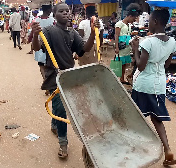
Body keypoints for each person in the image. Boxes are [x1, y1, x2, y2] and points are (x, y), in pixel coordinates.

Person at [32, 2, 99, 158]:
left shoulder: (72, 32)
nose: (65, 13)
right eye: (61, 11)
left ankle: (55, 125)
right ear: (54, 15)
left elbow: (84, 50)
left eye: (67, 11)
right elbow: (36, 48)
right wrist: (35, 35)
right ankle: (63, 143)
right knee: (61, 109)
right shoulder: (48, 31)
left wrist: (95, 31)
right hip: (54, 76)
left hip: (69, 75)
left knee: (62, 107)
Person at [131, 8, 176, 167]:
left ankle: (136, 151)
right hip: (159, 85)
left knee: (137, 117)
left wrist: (134, 49)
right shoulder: (172, 42)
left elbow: (140, 66)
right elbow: (166, 65)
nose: (148, 23)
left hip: (143, 84)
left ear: (156, 22)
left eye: (150, 20)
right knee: (157, 118)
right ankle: (168, 149)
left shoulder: (148, 42)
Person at [114, 3, 141, 85]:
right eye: (134, 18)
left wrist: (133, 34)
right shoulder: (119, 24)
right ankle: (116, 78)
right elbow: (116, 35)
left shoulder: (128, 25)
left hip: (126, 47)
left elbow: (127, 34)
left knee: (124, 63)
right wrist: (116, 47)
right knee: (119, 63)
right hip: (121, 47)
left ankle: (122, 78)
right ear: (130, 16)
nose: (134, 20)